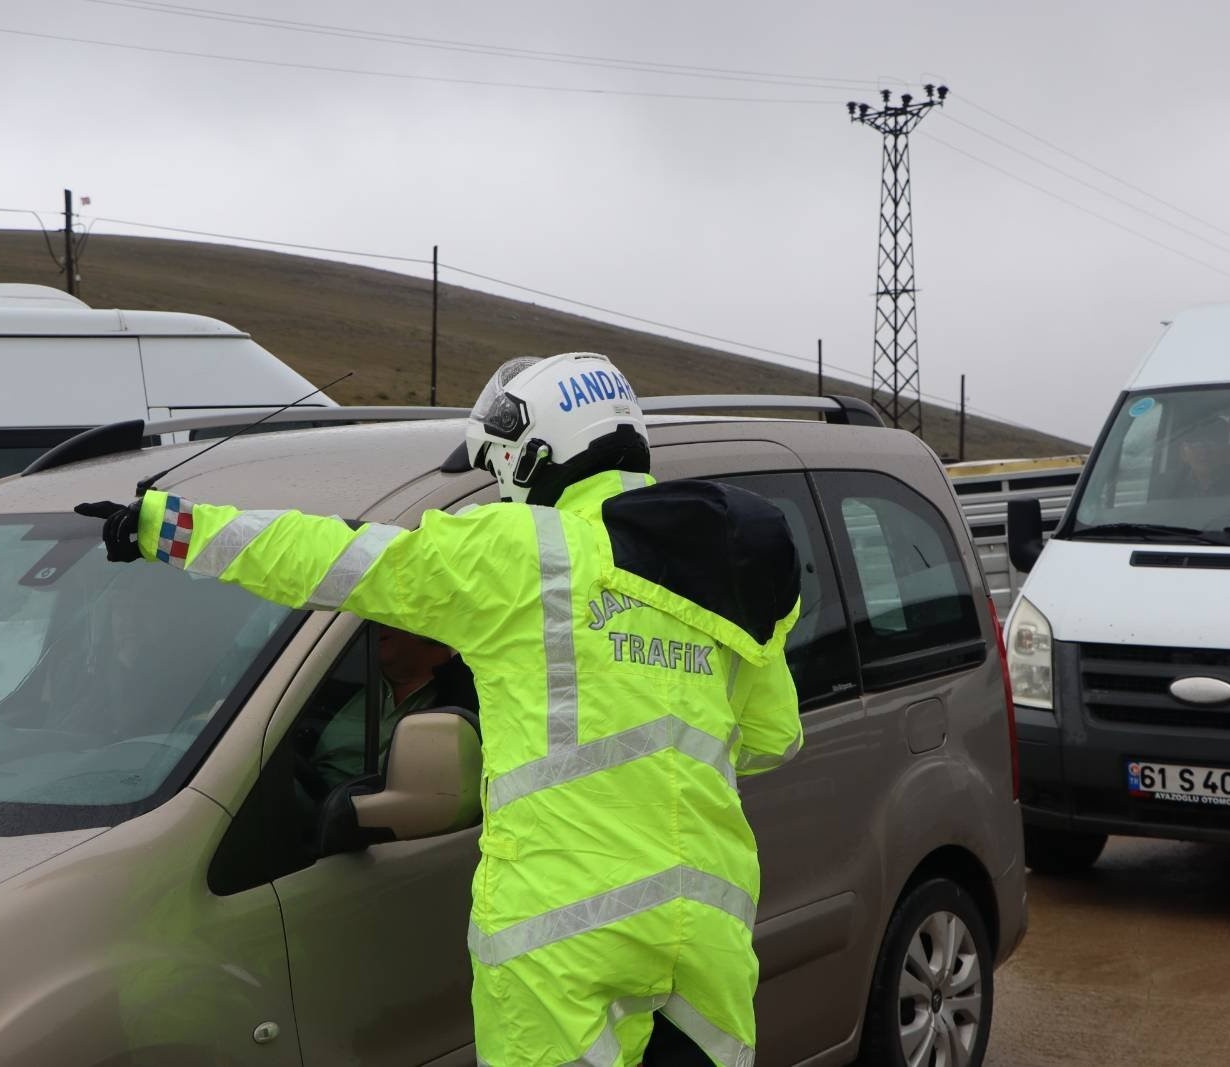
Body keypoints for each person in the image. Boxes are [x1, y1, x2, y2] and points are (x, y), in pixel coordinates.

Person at [75, 352, 804, 1066]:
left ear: (533, 454)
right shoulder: (727, 565)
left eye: (498, 466)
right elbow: (774, 735)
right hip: (706, 920)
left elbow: (333, 558)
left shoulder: (524, 551)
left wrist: (163, 527)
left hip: (562, 927)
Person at [309, 625, 471, 789]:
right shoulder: (342, 678)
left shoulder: (469, 694)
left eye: (387, 615)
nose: (376, 622)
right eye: (371, 616)